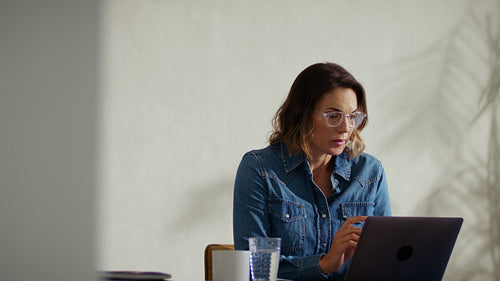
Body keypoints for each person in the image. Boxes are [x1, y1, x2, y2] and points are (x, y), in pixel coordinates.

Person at [232, 62, 392, 281]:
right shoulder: (260, 169)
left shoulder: (370, 172)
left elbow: (386, 261)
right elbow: (253, 269)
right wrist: (324, 264)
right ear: (302, 114)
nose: (346, 128)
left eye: (353, 116)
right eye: (333, 116)